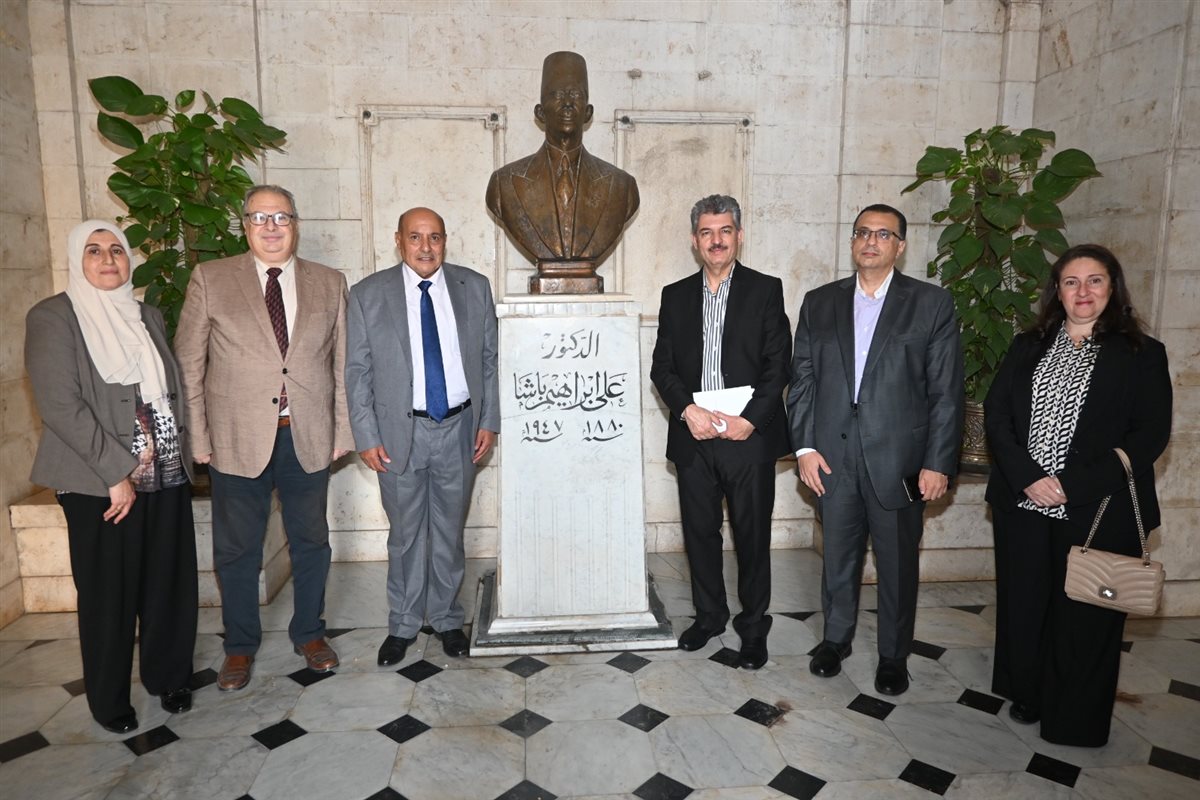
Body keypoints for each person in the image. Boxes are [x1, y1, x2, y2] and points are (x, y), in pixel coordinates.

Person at [985, 244, 1171, 746]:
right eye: (1071, 281)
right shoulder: (1028, 345)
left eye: (1094, 281)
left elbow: (1149, 435)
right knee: (1026, 605)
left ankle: (1074, 719)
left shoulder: (1142, 354)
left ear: (1113, 288)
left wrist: (1070, 486)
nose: (1082, 291)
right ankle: (1028, 692)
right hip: (1023, 504)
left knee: (1085, 617)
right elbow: (997, 415)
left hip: (1097, 508)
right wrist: (1028, 476)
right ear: (1057, 291)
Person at [175, 185, 353, 690]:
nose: (271, 227)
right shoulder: (211, 279)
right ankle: (239, 646)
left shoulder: (329, 282)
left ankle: (310, 633)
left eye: (281, 217)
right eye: (259, 218)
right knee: (237, 550)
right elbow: (189, 364)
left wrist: (343, 429)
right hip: (235, 438)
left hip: (307, 435)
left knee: (312, 542)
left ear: (296, 224)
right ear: (245, 225)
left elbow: (344, 364)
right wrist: (198, 437)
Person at [26, 221, 198, 733]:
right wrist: (116, 472)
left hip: (165, 470)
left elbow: (166, 392)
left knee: (167, 581)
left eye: (117, 250)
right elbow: (60, 405)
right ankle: (108, 700)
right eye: (94, 250)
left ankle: (169, 677)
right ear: (76, 259)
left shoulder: (147, 315)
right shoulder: (54, 317)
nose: (108, 260)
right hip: (98, 481)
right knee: (109, 593)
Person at [787, 204, 963, 696]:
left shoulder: (930, 304)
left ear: (900, 246)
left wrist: (937, 463)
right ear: (852, 242)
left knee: (898, 565)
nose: (871, 241)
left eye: (884, 234)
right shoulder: (819, 302)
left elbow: (946, 392)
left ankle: (893, 656)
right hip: (832, 459)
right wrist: (804, 447)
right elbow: (802, 381)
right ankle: (835, 640)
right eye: (863, 232)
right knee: (837, 558)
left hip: (900, 462)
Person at [345, 207, 499, 665]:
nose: (426, 247)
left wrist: (488, 420)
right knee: (406, 534)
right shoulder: (368, 295)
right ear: (399, 240)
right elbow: (357, 372)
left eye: (435, 237)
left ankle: (448, 619)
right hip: (398, 433)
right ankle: (404, 624)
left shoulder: (474, 287)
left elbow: (490, 360)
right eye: (415, 237)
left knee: (449, 532)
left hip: (460, 429)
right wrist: (366, 435)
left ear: (445, 241)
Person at [649, 194, 791, 670]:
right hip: (694, 437)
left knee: (752, 537)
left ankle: (753, 628)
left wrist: (749, 420)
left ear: (739, 236)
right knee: (700, 534)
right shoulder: (675, 295)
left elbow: (778, 364)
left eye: (725, 231)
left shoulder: (765, 290)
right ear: (695, 240)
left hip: (747, 438)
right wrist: (686, 410)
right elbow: (662, 367)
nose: (716, 240)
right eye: (707, 232)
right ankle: (709, 617)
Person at [486, 50, 639, 291]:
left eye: (575, 95)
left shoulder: (622, 187)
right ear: (539, 112)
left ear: (588, 112)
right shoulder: (503, 185)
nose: (567, 103)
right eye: (556, 95)